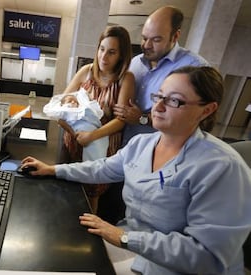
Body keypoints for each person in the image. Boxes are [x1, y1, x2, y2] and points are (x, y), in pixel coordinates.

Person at [21, 66, 251, 274]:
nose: (157, 107)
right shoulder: (143, 144)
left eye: (174, 101)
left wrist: (124, 237)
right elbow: (102, 168)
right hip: (135, 250)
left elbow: (208, 257)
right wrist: (53, 169)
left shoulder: (222, 167)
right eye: (159, 96)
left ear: (206, 110)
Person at [60, 25, 135, 213]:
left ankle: (88, 236)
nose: (104, 57)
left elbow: (121, 120)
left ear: (121, 55)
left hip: (101, 146)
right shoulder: (86, 71)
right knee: (67, 188)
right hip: (74, 140)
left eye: (111, 52)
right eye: (101, 49)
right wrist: (76, 134)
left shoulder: (125, 79)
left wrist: (91, 136)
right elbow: (61, 105)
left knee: (91, 192)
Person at [113, 6, 208, 146]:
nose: (147, 45)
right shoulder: (134, 63)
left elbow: (196, 121)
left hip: (157, 154)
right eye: (144, 38)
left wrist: (142, 119)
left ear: (175, 36)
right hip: (120, 147)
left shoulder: (195, 68)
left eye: (156, 40)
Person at [45, 90, 108, 162]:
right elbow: (58, 117)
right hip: (81, 131)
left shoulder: (82, 109)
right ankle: (94, 164)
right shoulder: (64, 110)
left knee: (100, 143)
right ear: (62, 105)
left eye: (75, 101)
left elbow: (93, 115)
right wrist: (75, 134)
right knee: (93, 150)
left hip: (94, 129)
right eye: (70, 101)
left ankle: (96, 163)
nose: (73, 102)